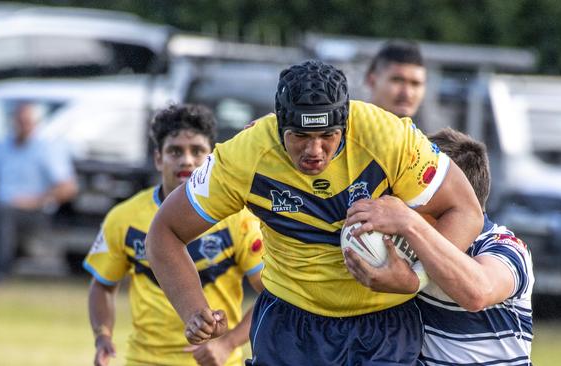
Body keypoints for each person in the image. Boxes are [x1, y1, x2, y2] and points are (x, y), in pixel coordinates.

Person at [145, 60, 483, 366]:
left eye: (327, 136)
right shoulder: (244, 156)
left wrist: (416, 277)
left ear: (345, 125)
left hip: (385, 324)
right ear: (279, 126)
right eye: (300, 136)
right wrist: (192, 309)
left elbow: (465, 210)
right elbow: (165, 232)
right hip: (291, 323)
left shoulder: (388, 137)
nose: (314, 151)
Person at [83, 104, 264, 366]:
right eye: (175, 151)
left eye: (197, 151)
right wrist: (102, 336)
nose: (186, 160)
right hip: (145, 360)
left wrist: (227, 343)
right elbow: (102, 285)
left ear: (212, 156)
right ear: (158, 158)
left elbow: (271, 293)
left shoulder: (239, 219)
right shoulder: (124, 217)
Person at [344, 127, 534, 365]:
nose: (405, 202)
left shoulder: (504, 247)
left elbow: (477, 292)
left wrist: (409, 222)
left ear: (444, 198)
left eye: (414, 192)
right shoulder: (406, 247)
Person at [0, 102, 77, 280]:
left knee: (3, 212)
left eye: (27, 121)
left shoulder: (47, 149)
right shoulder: (2, 148)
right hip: (0, 204)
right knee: (1, 209)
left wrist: (35, 200)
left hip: (34, 209)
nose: (23, 125)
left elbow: (68, 188)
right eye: (20, 121)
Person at [365, 40, 426, 119]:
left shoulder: (421, 131)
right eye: (397, 81)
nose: (407, 93)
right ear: (372, 81)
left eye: (415, 84)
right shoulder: (348, 128)